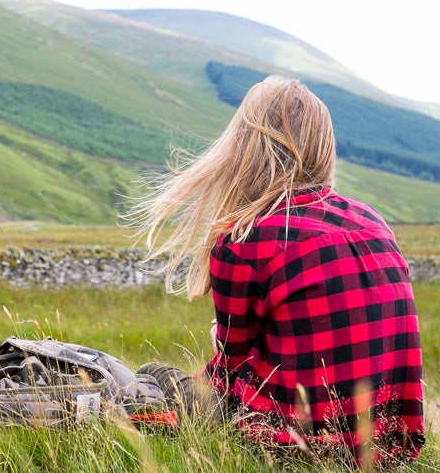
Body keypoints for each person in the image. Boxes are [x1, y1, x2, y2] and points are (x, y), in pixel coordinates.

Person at [128, 76, 424, 465]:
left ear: (244, 148)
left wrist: (220, 342)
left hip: (287, 449)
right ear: (323, 147)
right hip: (386, 448)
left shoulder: (246, 239)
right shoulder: (372, 221)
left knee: (152, 373)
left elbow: (230, 372)